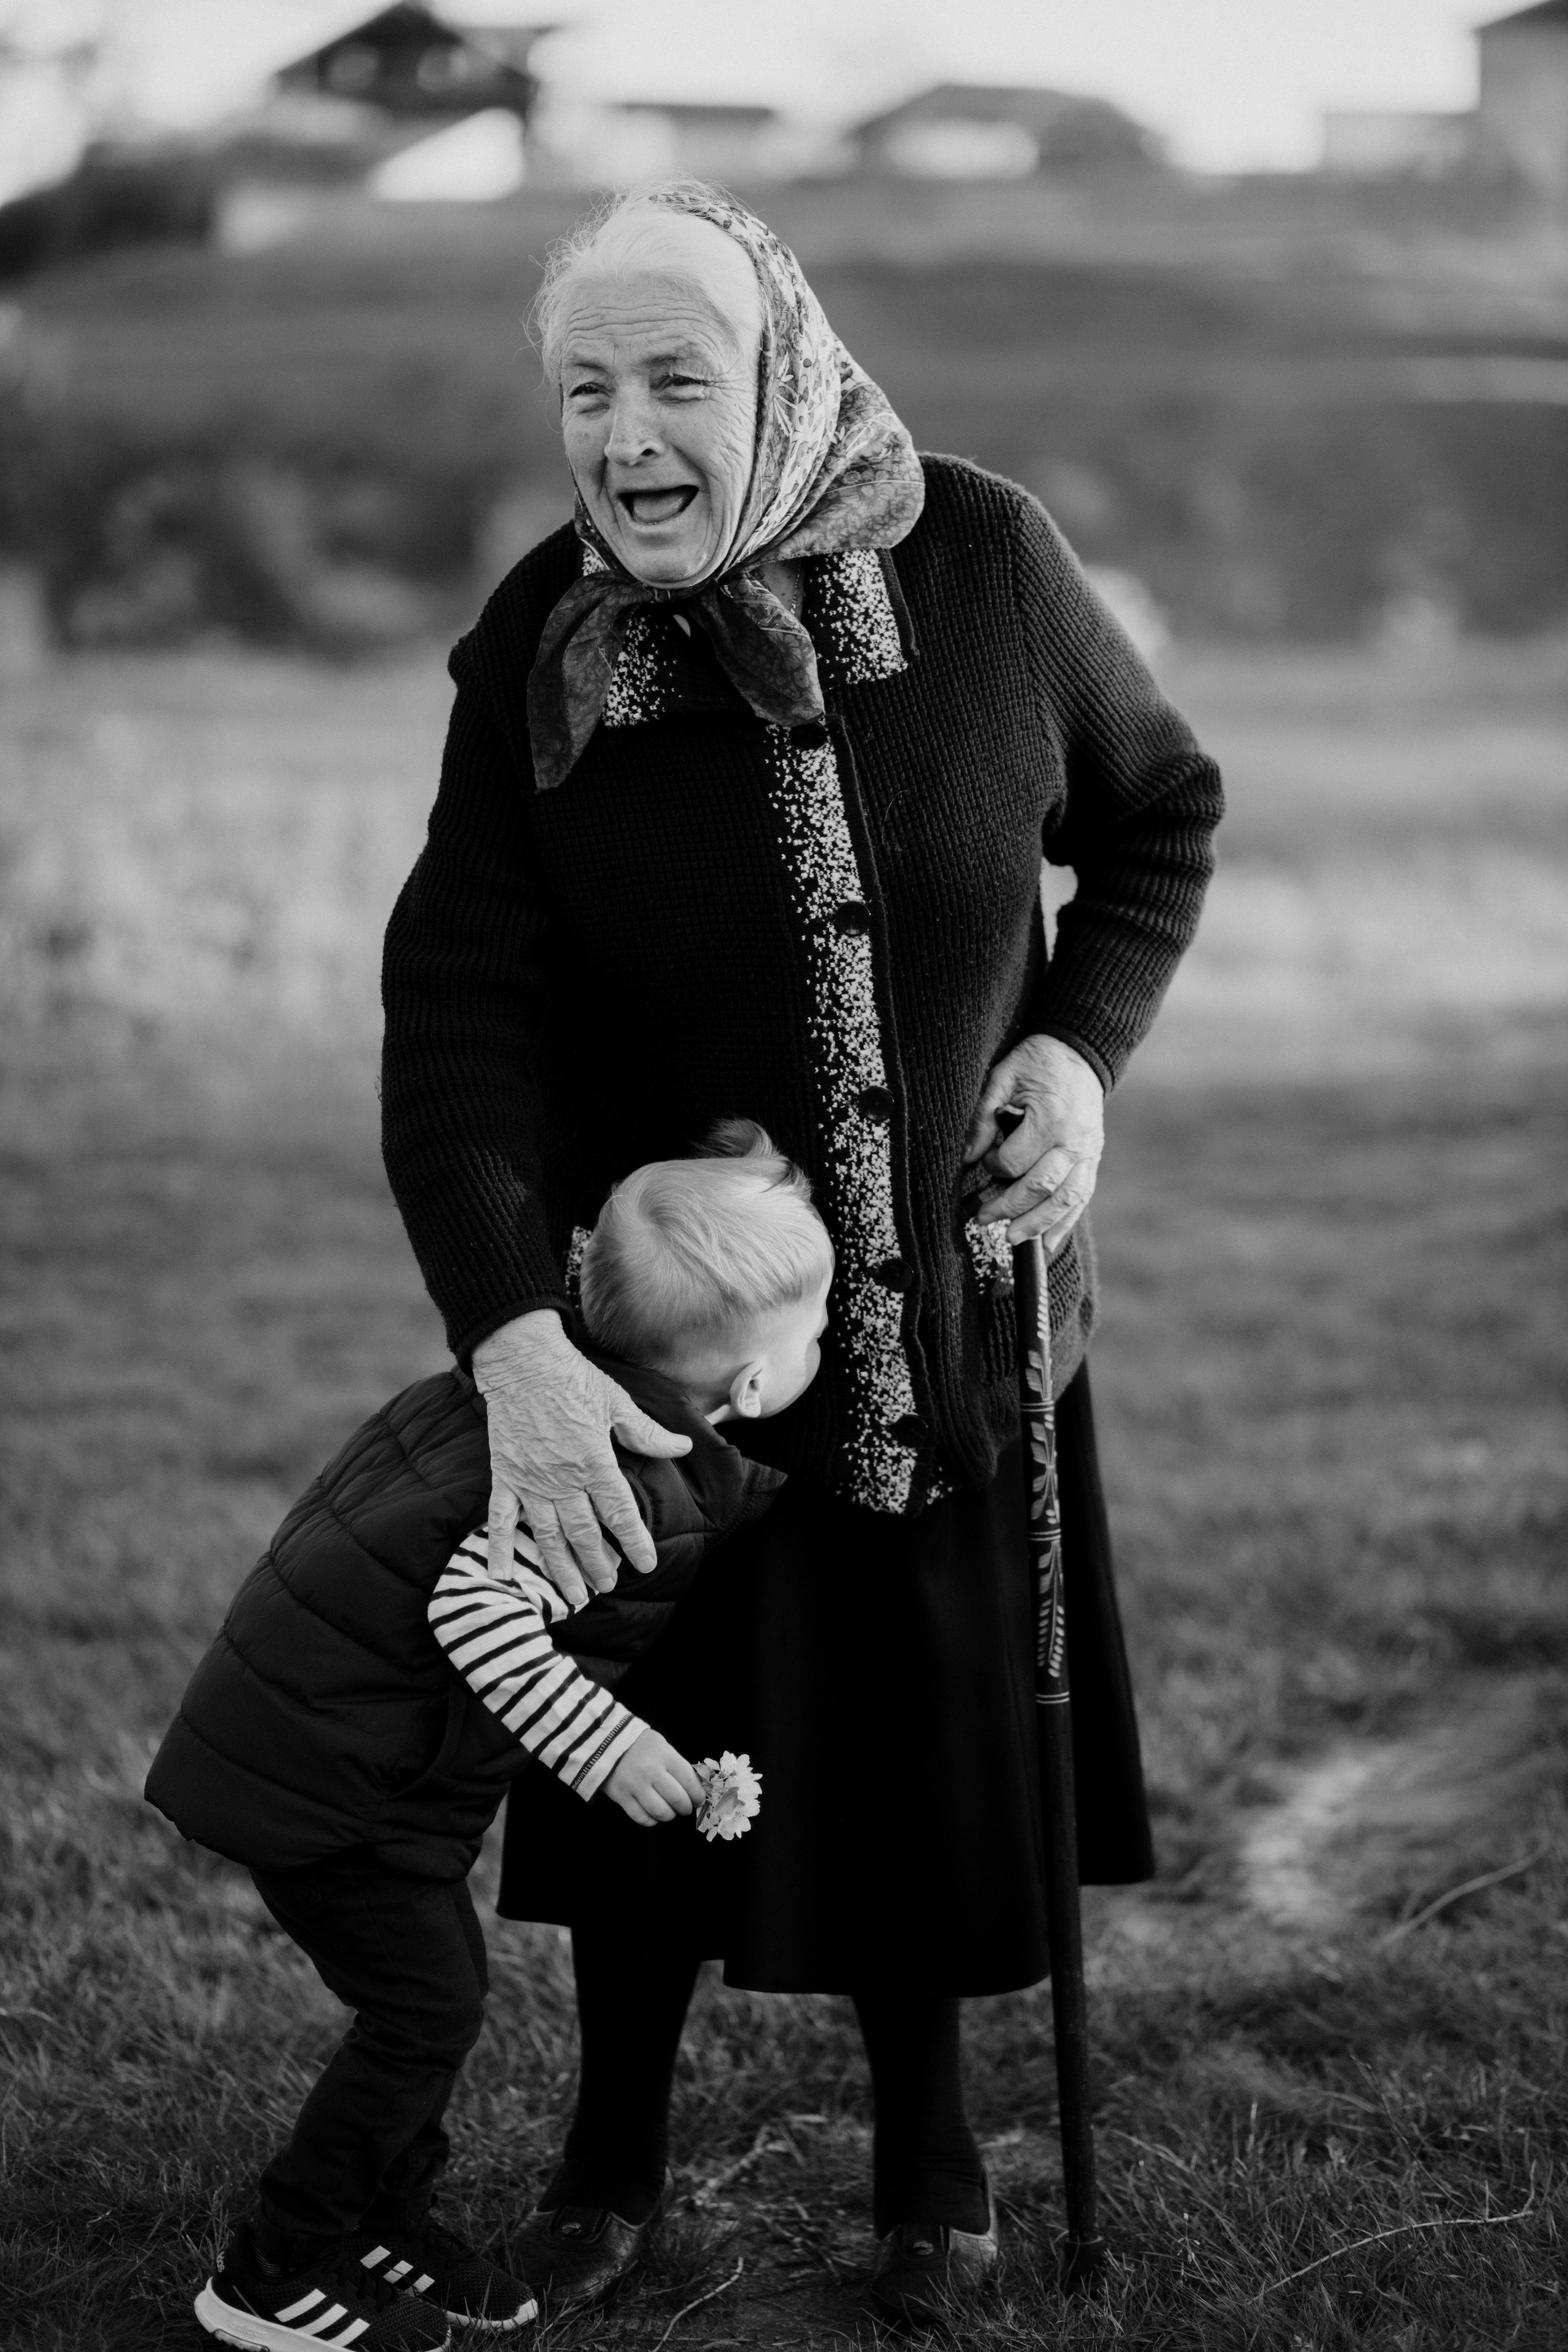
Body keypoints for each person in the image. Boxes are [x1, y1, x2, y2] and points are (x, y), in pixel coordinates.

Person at [380, 180, 1224, 2324]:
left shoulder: (985, 562)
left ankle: (930, 2146)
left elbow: (1158, 814)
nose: (627, 433)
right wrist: (514, 1335)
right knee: (644, 1727)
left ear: (783, 370)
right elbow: (460, 1010)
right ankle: (613, 2146)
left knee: (919, 1734)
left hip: (952, 1307)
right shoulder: (542, 641)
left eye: (677, 377)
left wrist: (1078, 1051)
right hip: (672, 1340)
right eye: (586, 389)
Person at [145, 1125, 831, 2352]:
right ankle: (272, 2265)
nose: (825, 1344)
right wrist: (608, 1746)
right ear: (751, 1386)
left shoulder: (538, 1389)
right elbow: (477, 1608)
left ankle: (386, 2215)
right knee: (423, 2017)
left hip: (338, 1759)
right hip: (337, 1792)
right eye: (816, 1330)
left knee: (431, 2004)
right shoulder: (603, 1481)